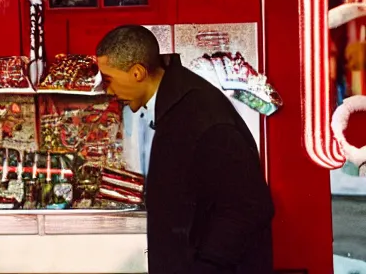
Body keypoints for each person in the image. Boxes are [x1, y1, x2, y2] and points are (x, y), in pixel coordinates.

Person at [95, 25, 275, 274]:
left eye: (109, 79)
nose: (109, 91)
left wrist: (207, 265)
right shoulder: (175, 105)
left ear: (137, 73)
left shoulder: (200, 115)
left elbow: (250, 206)